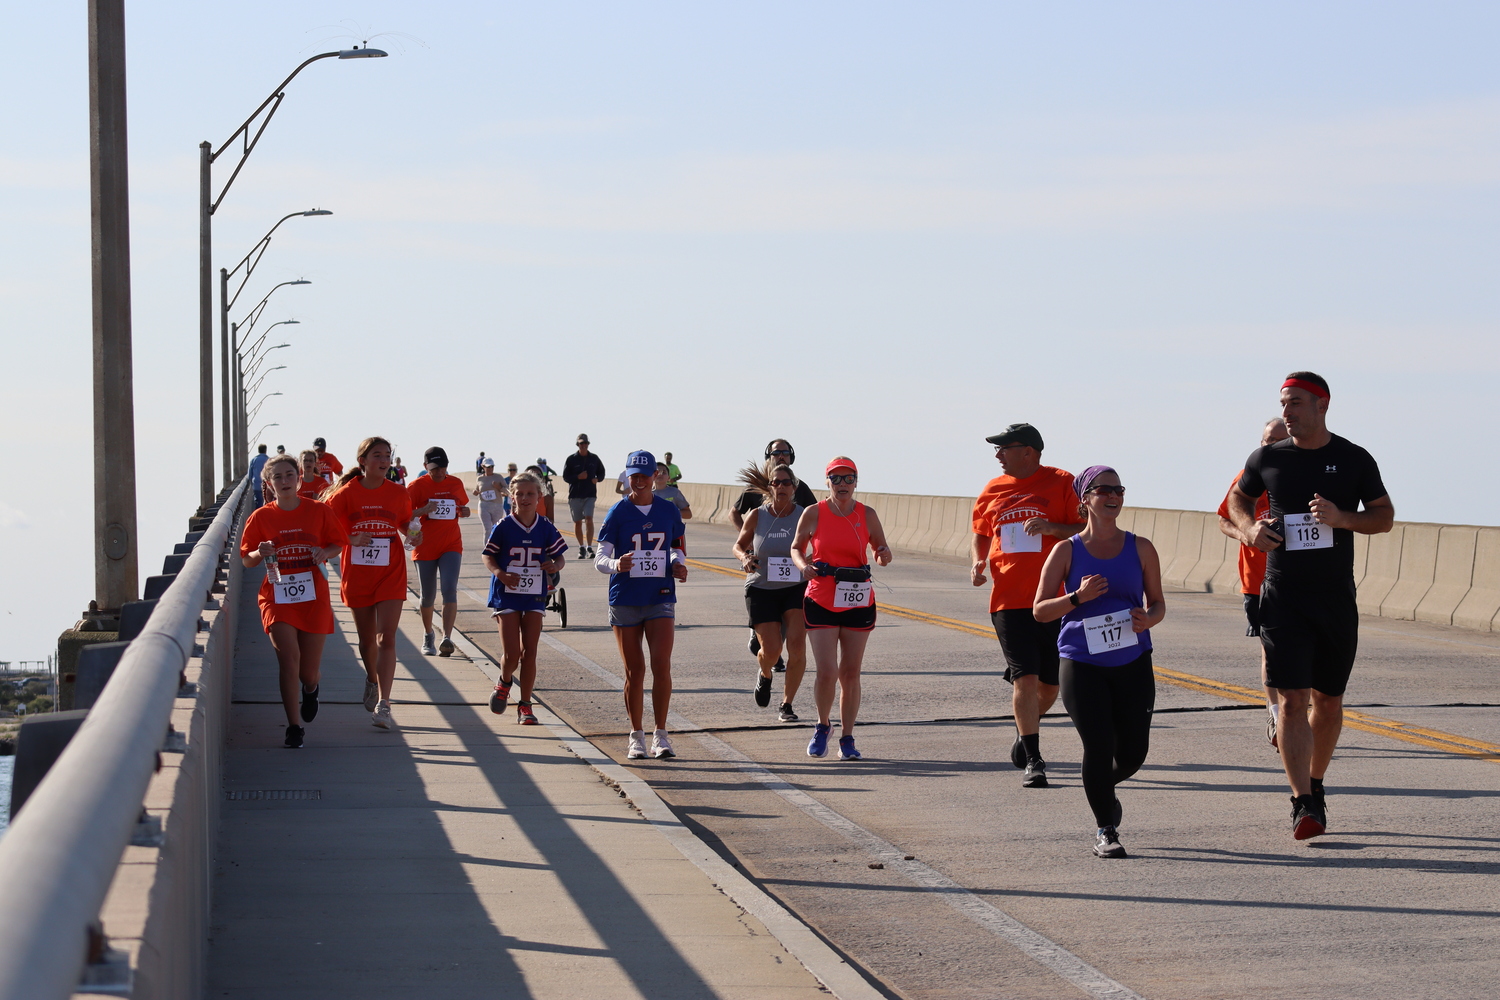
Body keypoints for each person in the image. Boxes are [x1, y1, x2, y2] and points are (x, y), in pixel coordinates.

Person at [1227, 372, 1393, 841]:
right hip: (1283, 596)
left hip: (1335, 598)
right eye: (1284, 403)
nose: (1287, 411)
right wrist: (1248, 530)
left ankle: (1315, 784)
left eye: (1296, 403)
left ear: (1322, 405)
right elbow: (1237, 501)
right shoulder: (1267, 458)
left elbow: (1384, 517)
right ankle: (1302, 802)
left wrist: (1342, 518)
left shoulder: (1353, 458)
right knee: (1292, 700)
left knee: (1329, 700)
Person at [1034, 465, 1165, 859]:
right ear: (1084, 500)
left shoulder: (1141, 547)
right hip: (1081, 661)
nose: (1113, 496)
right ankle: (1105, 829)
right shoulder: (1066, 550)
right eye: (1103, 489)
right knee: (1098, 742)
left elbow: (1158, 603)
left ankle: (1102, 791)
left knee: (1133, 753)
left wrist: (1150, 618)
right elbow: (1040, 610)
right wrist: (1077, 598)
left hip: (1132, 659)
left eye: (1118, 489)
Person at [970, 423, 1085, 789]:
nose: (998, 455)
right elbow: (981, 532)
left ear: (1029, 452)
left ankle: (1025, 731)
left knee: (1050, 686)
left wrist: (1051, 528)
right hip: (1008, 600)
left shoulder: (1063, 482)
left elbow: (1084, 529)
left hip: (1054, 599)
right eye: (998, 449)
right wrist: (977, 561)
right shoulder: (992, 489)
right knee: (1026, 677)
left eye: (1005, 447)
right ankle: (1034, 759)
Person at [239, 453, 346, 747]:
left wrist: (326, 553)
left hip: (313, 595)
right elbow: (246, 561)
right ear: (269, 484)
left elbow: (338, 542)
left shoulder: (318, 511)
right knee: (288, 660)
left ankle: (311, 689)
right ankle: (293, 726)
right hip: (277, 595)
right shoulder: (261, 517)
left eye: (289, 475)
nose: (284, 481)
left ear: (299, 478)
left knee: (307, 671)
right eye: (277, 477)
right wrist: (259, 552)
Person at [790, 458, 892, 761]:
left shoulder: (867, 515)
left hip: (857, 598)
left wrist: (883, 554)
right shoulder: (813, 513)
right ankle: (823, 726)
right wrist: (803, 566)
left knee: (850, 673)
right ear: (827, 482)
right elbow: (796, 547)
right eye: (836, 479)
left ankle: (847, 736)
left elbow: (881, 550)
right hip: (821, 596)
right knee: (827, 672)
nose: (842, 484)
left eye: (848, 479)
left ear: (856, 482)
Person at [596, 450, 688, 760]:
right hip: (625, 598)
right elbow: (600, 559)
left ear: (655, 477)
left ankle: (661, 735)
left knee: (661, 665)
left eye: (644, 475)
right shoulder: (618, 513)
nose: (639, 481)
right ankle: (636, 735)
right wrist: (616, 564)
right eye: (633, 475)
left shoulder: (667, 510)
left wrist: (678, 564)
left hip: (660, 593)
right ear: (627, 477)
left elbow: (676, 546)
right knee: (635, 671)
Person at [323, 437, 415, 730]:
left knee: (385, 638)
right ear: (362, 460)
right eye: (377, 455)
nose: (384, 460)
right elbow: (326, 527)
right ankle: (372, 678)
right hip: (359, 573)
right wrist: (350, 538)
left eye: (387, 455)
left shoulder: (398, 493)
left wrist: (414, 533)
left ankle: (384, 704)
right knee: (366, 642)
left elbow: (406, 523)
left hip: (390, 571)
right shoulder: (346, 494)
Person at [1216, 417, 1291, 748]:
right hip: (1256, 582)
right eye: (1266, 440)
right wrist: (1244, 533)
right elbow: (1223, 518)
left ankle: (1297, 707)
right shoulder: (1249, 480)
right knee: (1270, 650)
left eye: (1279, 439)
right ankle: (1276, 711)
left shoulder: (1304, 479)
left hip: (1296, 578)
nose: (1270, 446)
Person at [482, 472, 567, 724]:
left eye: (531, 494)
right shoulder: (504, 526)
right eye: (520, 494)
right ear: (511, 497)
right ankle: (505, 681)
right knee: (511, 654)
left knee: (530, 651)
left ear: (539, 496)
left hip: (533, 595)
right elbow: (488, 556)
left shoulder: (546, 526)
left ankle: (526, 705)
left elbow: (559, 556)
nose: (525, 498)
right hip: (506, 593)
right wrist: (500, 573)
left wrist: (555, 565)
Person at [731, 440, 820, 669]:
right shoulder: (755, 491)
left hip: (793, 571)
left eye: (784, 453)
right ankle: (767, 647)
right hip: (764, 568)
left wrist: (814, 555)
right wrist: (750, 546)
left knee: (790, 623)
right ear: (768, 457)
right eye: (775, 453)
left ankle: (773, 655)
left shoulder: (801, 489)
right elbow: (735, 513)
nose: (780, 456)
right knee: (770, 621)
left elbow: (818, 522)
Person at [732, 461, 807, 722]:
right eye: (776, 483)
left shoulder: (804, 516)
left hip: (795, 588)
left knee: (797, 647)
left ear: (794, 487)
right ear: (769, 488)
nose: (781, 486)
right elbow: (739, 545)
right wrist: (744, 558)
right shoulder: (757, 515)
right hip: (761, 588)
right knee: (772, 652)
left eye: (787, 482)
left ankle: (787, 705)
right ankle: (765, 674)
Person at [407, 446, 472, 657]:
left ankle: (447, 637)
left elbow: (463, 508)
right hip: (424, 546)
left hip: (450, 545)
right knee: (428, 597)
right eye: (434, 468)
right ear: (426, 467)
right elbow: (403, 515)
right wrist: (424, 510)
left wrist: (465, 511)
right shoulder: (416, 486)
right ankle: (428, 634)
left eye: (442, 468)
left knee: (449, 589)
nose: (439, 472)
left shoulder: (455, 483)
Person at [562, 434, 606, 559]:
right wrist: (577, 477)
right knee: (577, 522)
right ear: (578, 445)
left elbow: (602, 472)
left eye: (585, 443)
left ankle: (589, 546)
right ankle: (581, 546)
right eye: (581, 443)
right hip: (575, 495)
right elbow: (565, 477)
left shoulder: (594, 458)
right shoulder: (571, 459)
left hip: (590, 494)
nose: (584, 445)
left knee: (589, 519)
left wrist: (597, 479)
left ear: (588, 444)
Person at [473, 457, 509, 537]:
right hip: (484, 505)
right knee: (487, 529)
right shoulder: (480, 478)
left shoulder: (498, 477)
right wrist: (475, 492)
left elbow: (507, 491)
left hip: (497, 505)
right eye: (488, 467)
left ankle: (497, 548)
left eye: (492, 466)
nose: (490, 468)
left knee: (496, 528)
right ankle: (487, 548)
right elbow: (477, 490)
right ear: (483, 467)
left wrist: (499, 487)